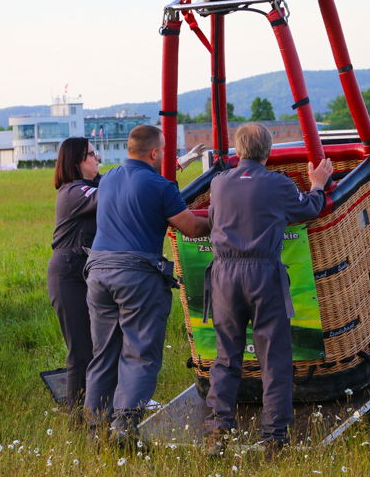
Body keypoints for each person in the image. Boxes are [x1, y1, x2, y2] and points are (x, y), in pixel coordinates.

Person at [203, 123, 334, 456]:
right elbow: (307, 210)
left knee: (226, 357)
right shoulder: (278, 184)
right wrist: (318, 184)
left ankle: (218, 431)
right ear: (268, 151)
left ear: (238, 149)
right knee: (273, 358)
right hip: (263, 273)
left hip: (224, 274)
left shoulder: (218, 183)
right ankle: (274, 437)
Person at [83, 125, 209, 447]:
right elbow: (192, 228)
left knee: (104, 352)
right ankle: (125, 427)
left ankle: (96, 427)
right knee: (139, 351)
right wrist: (224, 216)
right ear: (154, 153)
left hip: (97, 273)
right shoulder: (159, 185)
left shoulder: (108, 179)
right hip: (136, 275)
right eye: (163, 150)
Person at [47, 137, 101, 410]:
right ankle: (76, 415)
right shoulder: (73, 192)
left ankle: (97, 406)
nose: (97, 159)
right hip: (68, 274)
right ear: (78, 162)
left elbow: (128, 187)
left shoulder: (92, 186)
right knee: (81, 349)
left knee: (96, 346)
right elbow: (117, 191)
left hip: (86, 271)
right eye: (92, 154)